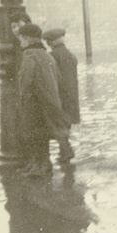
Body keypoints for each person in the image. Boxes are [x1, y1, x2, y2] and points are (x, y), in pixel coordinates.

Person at [16, 24, 70, 177]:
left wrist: (22, 100)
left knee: (33, 135)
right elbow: (58, 79)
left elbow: (25, 82)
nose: (20, 41)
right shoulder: (48, 56)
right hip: (49, 104)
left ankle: (39, 166)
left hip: (33, 104)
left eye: (21, 37)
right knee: (42, 135)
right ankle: (40, 165)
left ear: (27, 38)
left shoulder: (29, 56)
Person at [43, 28, 78, 165]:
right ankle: (64, 152)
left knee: (58, 125)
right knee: (65, 124)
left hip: (59, 95)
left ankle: (66, 151)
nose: (47, 43)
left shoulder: (51, 56)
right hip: (72, 96)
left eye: (48, 41)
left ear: (51, 42)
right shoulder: (71, 55)